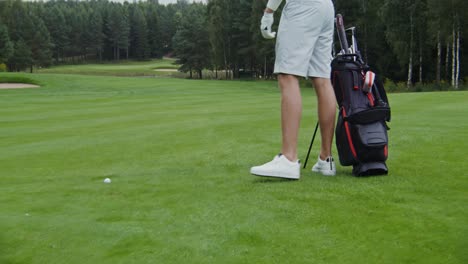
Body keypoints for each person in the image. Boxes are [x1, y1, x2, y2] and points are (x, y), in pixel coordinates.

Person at [250, 0, 337, 179]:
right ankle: (325, 159)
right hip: (326, 8)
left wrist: (268, 12)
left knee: (287, 75)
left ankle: (288, 159)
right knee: (322, 78)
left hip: (302, 7)